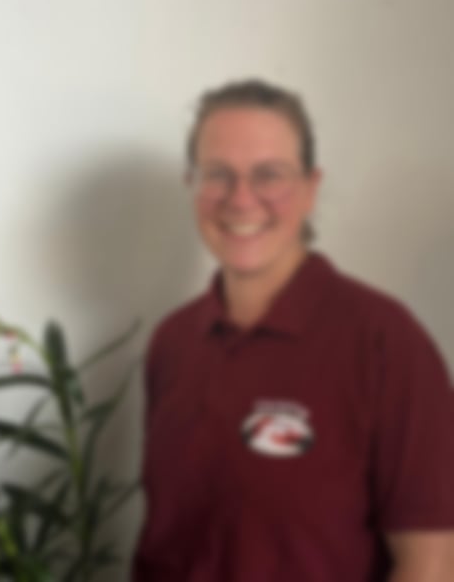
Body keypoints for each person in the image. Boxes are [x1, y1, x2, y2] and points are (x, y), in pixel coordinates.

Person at [132, 80, 454, 581]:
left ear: (310, 188)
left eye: (269, 175)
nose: (241, 199)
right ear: (191, 185)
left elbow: (431, 564)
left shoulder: (385, 342)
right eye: (218, 175)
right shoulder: (172, 342)